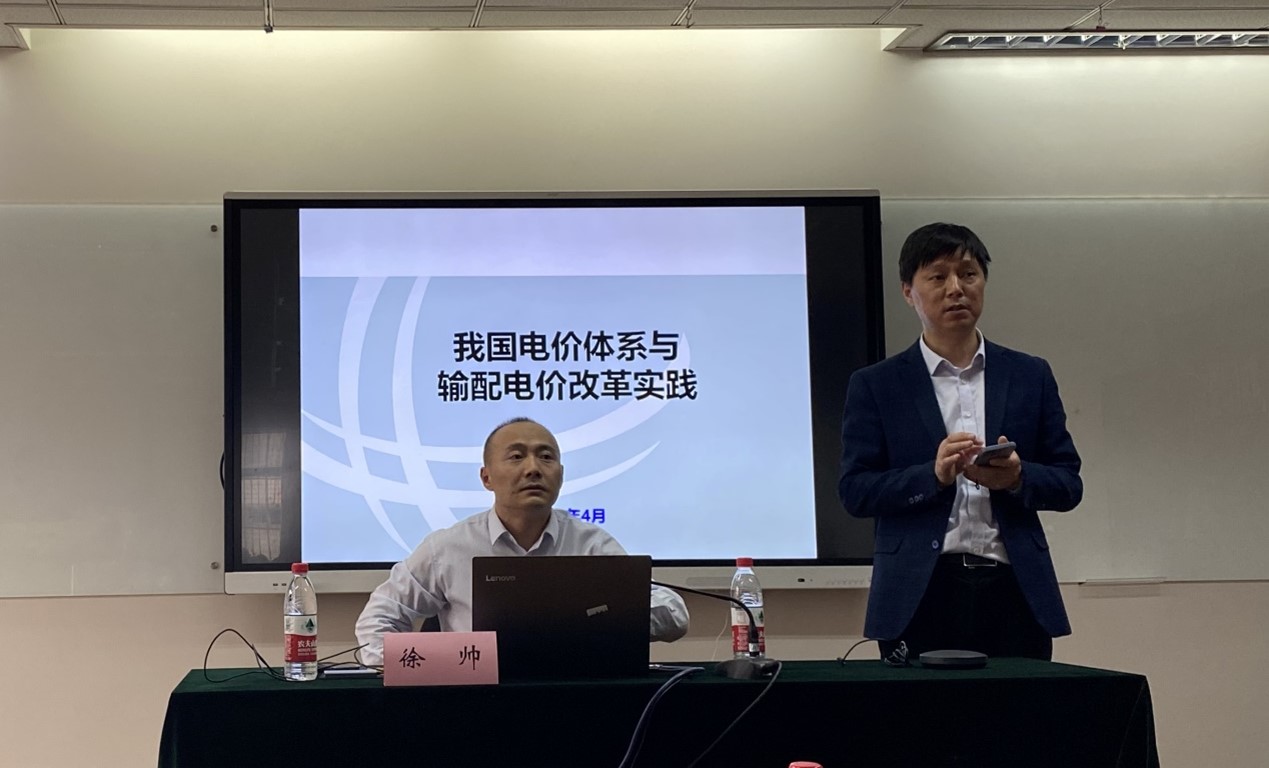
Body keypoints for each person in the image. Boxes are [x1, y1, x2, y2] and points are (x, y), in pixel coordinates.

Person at [838, 223, 1082, 661]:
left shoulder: (1029, 375)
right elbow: (855, 490)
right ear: (908, 291)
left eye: (968, 274)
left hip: (1015, 592)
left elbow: (1069, 483)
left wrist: (1017, 478)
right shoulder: (877, 385)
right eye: (938, 276)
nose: (956, 288)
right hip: (919, 594)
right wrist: (932, 476)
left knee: (1023, 707)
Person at [356, 417, 689, 665]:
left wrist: (593, 622)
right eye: (516, 456)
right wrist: (429, 665)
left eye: (546, 457)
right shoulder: (447, 548)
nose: (533, 469)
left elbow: (675, 614)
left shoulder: (591, 544)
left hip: (573, 700)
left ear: (561, 474)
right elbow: (376, 623)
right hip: (472, 704)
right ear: (486, 477)